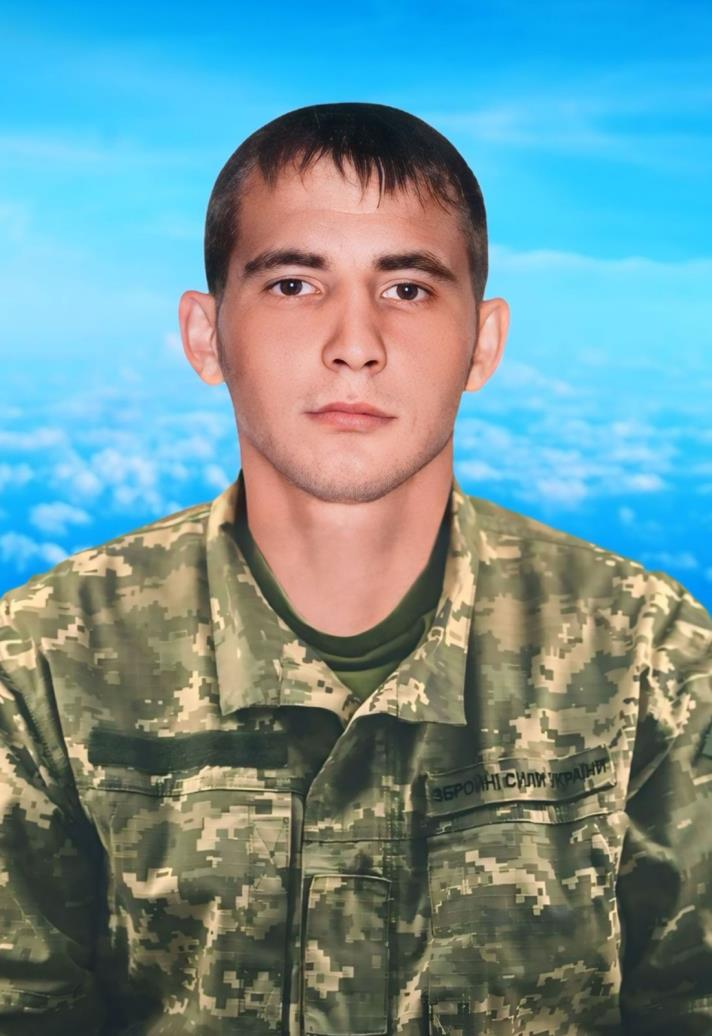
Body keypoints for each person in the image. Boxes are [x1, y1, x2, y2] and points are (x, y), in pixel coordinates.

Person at [0, 101, 710, 1035]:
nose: (356, 344)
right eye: (294, 284)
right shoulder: (41, 665)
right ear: (206, 336)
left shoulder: (654, 657)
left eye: (407, 289)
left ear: (483, 342)